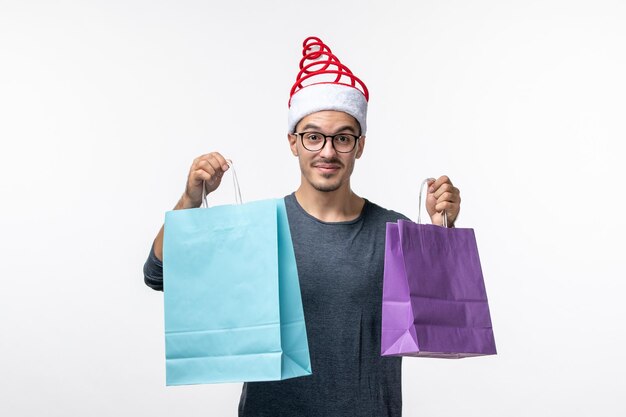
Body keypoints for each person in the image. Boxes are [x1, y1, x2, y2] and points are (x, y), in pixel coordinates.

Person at [144, 36, 461, 417]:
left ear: (359, 146)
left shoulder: (394, 232)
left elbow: (446, 315)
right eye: (313, 137)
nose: (327, 151)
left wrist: (441, 231)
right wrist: (190, 201)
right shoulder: (258, 230)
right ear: (293, 142)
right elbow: (159, 274)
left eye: (342, 138)